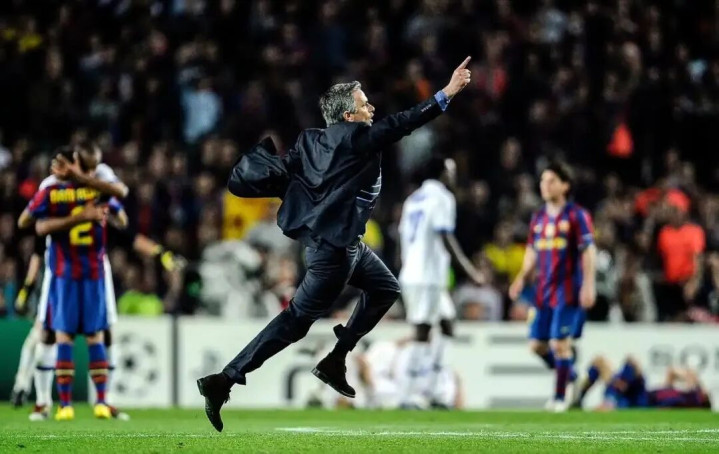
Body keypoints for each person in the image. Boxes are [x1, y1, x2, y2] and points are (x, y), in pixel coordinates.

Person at [197, 57, 473, 432]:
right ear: (348, 116)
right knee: (294, 322)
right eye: (364, 104)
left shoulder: (309, 140)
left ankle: (335, 359)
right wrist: (447, 93)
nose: (371, 108)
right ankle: (225, 379)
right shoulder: (358, 138)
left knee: (385, 288)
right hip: (334, 253)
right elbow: (402, 122)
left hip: (339, 245)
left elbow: (287, 173)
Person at [17, 142, 127, 421]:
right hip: (67, 271)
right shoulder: (76, 187)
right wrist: (85, 216)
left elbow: (29, 223)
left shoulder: (69, 187)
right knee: (57, 334)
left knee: (87, 334)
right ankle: (46, 402)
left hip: (80, 271)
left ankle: (89, 402)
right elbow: (122, 210)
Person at [509, 162, 597, 412]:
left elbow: (588, 250)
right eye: (543, 181)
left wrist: (589, 285)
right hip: (542, 290)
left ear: (565, 185)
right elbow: (531, 251)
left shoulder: (576, 215)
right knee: (537, 346)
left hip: (568, 289)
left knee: (560, 344)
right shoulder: (538, 218)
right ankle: (573, 378)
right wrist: (521, 278)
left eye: (551, 181)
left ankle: (559, 398)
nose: (545, 186)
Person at [397, 155, 482, 408]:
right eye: (451, 171)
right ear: (442, 173)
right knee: (422, 330)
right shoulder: (443, 197)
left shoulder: (413, 199)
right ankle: (410, 393)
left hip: (414, 272)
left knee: (447, 324)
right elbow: (445, 236)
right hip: (427, 276)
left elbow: (402, 237)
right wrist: (470, 271)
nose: (453, 177)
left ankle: (435, 389)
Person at [573, 354, 711, 410]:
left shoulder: (691, 399)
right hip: (640, 393)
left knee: (631, 365)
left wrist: (692, 381)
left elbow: (665, 408)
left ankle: (609, 399)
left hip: (641, 400)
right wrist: (686, 376)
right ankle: (580, 399)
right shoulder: (679, 391)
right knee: (601, 362)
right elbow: (672, 372)